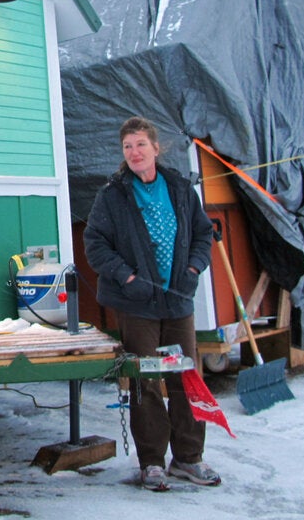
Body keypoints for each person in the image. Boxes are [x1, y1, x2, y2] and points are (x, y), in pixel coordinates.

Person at [83, 116, 221, 491]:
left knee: (185, 376)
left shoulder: (179, 189)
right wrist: (127, 277)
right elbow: (95, 244)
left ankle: (188, 457)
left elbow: (203, 234)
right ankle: (153, 462)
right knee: (145, 380)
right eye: (128, 146)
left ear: (156, 148)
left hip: (177, 300)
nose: (134, 152)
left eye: (141, 144)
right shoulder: (113, 195)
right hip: (138, 303)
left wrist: (192, 269)